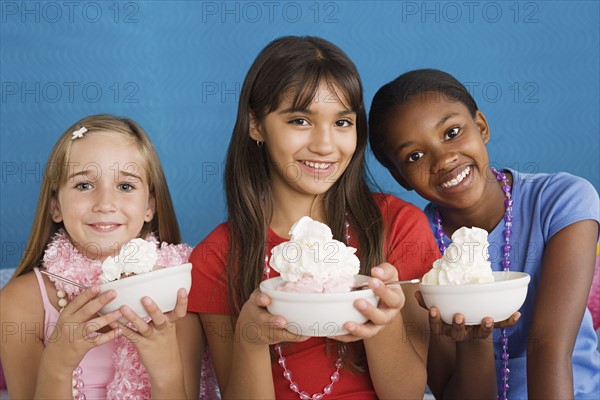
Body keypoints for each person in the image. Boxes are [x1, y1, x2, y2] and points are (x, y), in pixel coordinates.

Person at [187, 36, 439, 399]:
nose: (325, 145)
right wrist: (250, 338)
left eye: (342, 122)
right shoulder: (216, 256)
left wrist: (383, 323)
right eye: (300, 120)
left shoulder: (399, 226)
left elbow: (407, 393)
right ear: (255, 125)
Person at [368, 68, 600, 399]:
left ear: (481, 127)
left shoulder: (562, 200)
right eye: (415, 156)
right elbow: (452, 392)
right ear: (402, 178)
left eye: (451, 132)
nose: (444, 159)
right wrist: (474, 341)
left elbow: (548, 345)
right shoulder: (413, 245)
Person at [0, 114, 203, 399]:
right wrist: (57, 365)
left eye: (125, 186)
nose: (105, 204)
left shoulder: (177, 293)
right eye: (84, 185)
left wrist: (166, 369)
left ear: (150, 206)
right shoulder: (21, 302)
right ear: (55, 206)